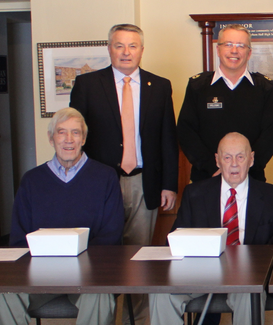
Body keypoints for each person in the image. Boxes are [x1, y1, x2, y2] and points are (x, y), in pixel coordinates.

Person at [69, 23, 178, 325]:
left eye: (133, 45)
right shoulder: (88, 85)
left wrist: (169, 185)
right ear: (109, 48)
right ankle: (104, 316)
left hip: (146, 182)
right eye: (119, 45)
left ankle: (139, 318)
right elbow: (76, 137)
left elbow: (168, 138)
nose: (126, 52)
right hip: (102, 185)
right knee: (103, 257)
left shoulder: (160, 85)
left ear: (142, 50)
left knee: (140, 256)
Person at [149, 132, 273, 325]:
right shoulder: (194, 194)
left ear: (251, 159)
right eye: (227, 157)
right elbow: (174, 241)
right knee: (161, 294)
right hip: (199, 274)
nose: (234, 164)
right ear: (217, 161)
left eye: (240, 157)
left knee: (249, 292)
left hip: (247, 276)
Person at [0, 107, 123, 325]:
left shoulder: (106, 177)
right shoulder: (31, 181)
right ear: (51, 138)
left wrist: (75, 262)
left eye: (75, 133)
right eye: (61, 132)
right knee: (3, 293)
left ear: (83, 138)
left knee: (100, 294)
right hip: (39, 276)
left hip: (89, 276)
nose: (68, 139)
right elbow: (18, 240)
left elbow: (112, 236)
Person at [178, 24, 273, 183]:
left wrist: (245, 169)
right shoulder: (198, 86)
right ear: (218, 50)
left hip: (250, 179)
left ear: (249, 53)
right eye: (228, 44)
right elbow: (187, 132)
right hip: (206, 177)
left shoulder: (264, 88)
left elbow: (270, 136)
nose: (234, 51)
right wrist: (214, 168)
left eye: (241, 46)